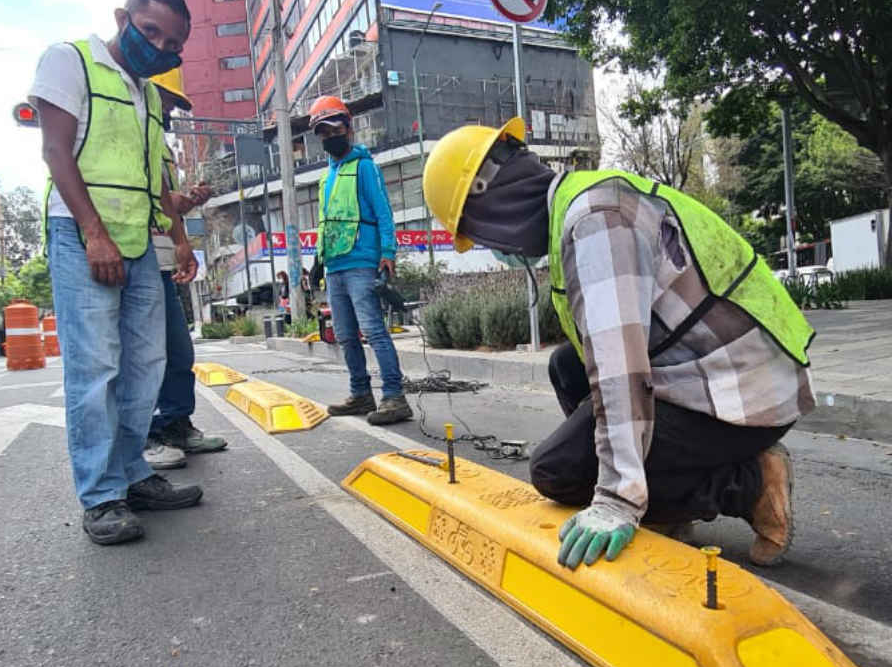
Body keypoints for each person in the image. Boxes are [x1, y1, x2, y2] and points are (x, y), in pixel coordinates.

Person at [422, 117, 816, 569]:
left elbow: (620, 370)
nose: (495, 248)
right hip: (732, 370)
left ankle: (748, 484)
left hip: (744, 394)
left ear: (493, 207)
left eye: (482, 234)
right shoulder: (580, 204)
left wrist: (615, 498)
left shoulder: (596, 221)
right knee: (567, 366)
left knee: (558, 472)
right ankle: (669, 505)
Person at [30, 0, 203, 546]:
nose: (158, 46)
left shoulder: (149, 96)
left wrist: (177, 236)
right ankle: (102, 496)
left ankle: (132, 473)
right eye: (150, 31)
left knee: (145, 365)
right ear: (123, 18)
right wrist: (93, 233)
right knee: (95, 368)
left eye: (172, 44)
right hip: (84, 235)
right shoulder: (70, 60)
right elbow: (57, 153)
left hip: (137, 239)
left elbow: (154, 179)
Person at [142, 67, 227, 471]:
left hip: (157, 257)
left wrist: (186, 208)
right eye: (170, 102)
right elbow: (149, 198)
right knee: (143, 355)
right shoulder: (133, 131)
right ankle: (147, 435)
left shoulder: (158, 141)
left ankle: (176, 423)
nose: (173, 113)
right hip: (132, 253)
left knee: (178, 349)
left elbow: (163, 202)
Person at [309, 95, 412, 426]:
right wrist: (317, 261)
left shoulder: (365, 167)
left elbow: (383, 212)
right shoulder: (326, 177)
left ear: (347, 128)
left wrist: (388, 253)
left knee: (373, 330)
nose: (329, 137)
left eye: (333, 129)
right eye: (322, 133)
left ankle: (395, 397)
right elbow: (326, 222)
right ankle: (361, 393)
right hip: (335, 266)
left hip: (362, 263)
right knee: (345, 335)